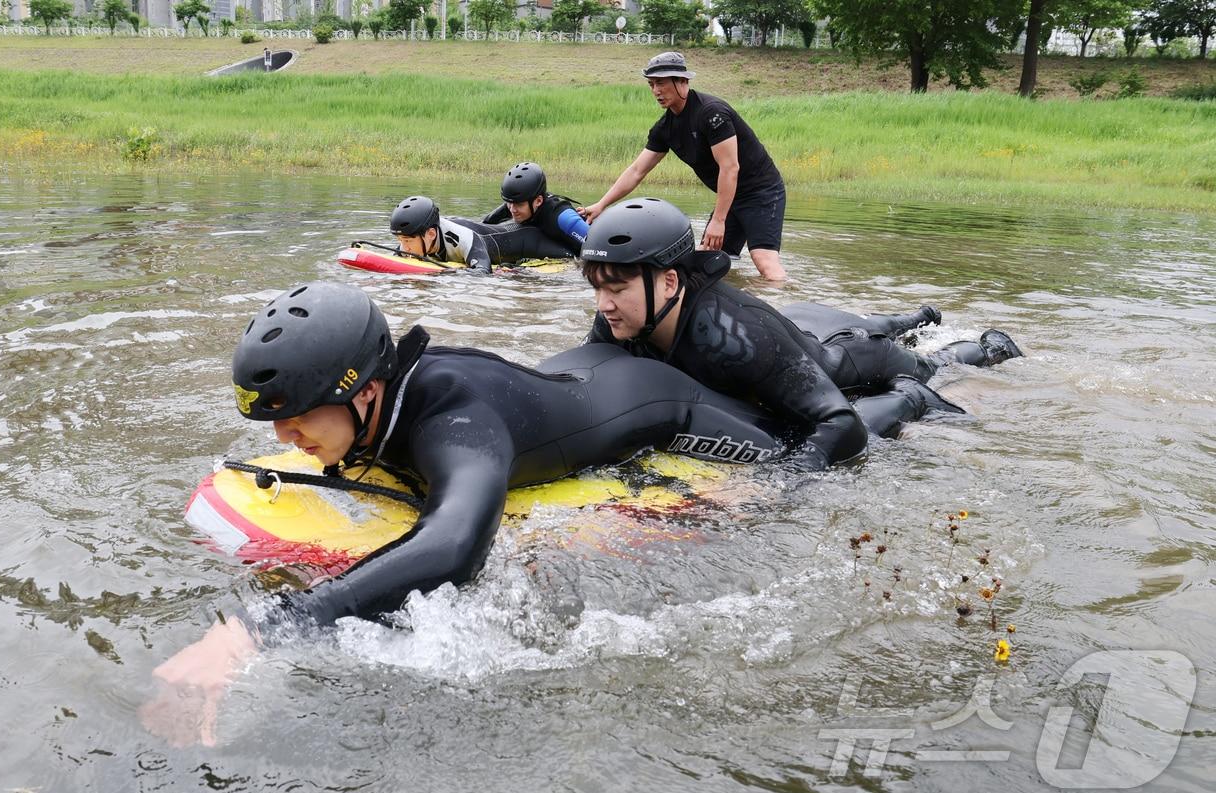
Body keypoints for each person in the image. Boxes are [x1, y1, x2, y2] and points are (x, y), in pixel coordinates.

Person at [144, 281, 795, 746]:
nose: (283, 438)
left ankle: (864, 376)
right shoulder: (379, 400)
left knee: (799, 448)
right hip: (581, 369)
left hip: (658, 403)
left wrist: (258, 630)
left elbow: (456, 546)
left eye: (297, 416)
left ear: (365, 391)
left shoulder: (454, 424)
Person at [579, 198, 1025, 461]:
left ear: (669, 282)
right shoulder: (620, 316)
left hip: (851, 363)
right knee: (869, 328)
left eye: (616, 289)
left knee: (935, 366)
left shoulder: (736, 339)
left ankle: (990, 348)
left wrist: (782, 483)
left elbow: (841, 423)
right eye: (597, 289)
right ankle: (910, 319)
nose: (604, 305)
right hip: (801, 335)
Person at [580, 52, 790, 282]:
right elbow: (637, 171)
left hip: (761, 192)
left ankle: (787, 300)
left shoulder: (712, 114)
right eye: (651, 84)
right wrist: (601, 204)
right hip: (729, 196)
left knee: (764, 262)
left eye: (661, 83)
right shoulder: (665, 128)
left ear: (682, 81)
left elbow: (730, 168)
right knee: (706, 260)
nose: (656, 91)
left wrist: (718, 220)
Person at [390, 195, 574, 274]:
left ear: (431, 234)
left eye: (407, 241)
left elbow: (482, 272)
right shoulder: (417, 235)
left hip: (530, 242)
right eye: (400, 240)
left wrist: (446, 275)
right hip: (493, 231)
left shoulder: (462, 237)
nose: (404, 248)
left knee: (574, 259)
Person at [481, 162, 588, 253]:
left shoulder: (563, 218)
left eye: (519, 204)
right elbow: (484, 224)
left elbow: (596, 245)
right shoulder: (517, 203)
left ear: (538, 201)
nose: (512, 210)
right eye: (509, 203)